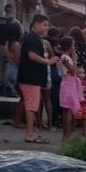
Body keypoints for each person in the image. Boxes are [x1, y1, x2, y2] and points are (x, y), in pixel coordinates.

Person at [17, 15, 56, 143]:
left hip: (33, 77)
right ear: (36, 24)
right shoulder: (32, 38)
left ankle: (32, 132)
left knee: (33, 105)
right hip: (30, 77)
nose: (46, 28)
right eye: (44, 25)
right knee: (31, 106)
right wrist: (49, 61)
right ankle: (29, 134)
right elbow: (32, 56)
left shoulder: (34, 38)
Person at [58, 36, 86, 141]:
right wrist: (75, 60)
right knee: (69, 110)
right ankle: (67, 134)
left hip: (68, 84)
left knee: (66, 110)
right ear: (69, 47)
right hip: (69, 84)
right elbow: (73, 71)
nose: (74, 48)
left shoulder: (65, 57)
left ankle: (65, 134)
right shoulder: (65, 58)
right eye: (73, 45)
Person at [0, 4, 22, 96]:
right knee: (10, 66)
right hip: (11, 46)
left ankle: (1, 87)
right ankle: (9, 88)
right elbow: (21, 34)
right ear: (13, 10)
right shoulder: (16, 22)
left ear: (5, 10)